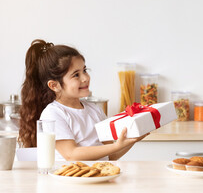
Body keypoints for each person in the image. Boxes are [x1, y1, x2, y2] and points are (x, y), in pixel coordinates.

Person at [19, 39, 147, 161]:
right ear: (54, 85)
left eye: (84, 70)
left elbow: (110, 155)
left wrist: (132, 140)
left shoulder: (95, 110)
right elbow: (71, 155)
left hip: (97, 176)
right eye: (76, 75)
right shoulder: (53, 113)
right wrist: (116, 146)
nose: (85, 78)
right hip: (68, 179)